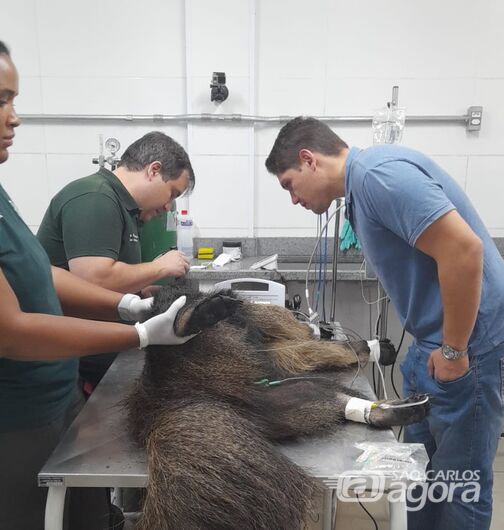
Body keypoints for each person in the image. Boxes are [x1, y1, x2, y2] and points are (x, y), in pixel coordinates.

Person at [265, 116, 504, 530]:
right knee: (420, 477)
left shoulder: (379, 176)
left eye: (289, 184)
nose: (293, 199)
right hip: (435, 343)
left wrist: (454, 350)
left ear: (309, 160)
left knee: (460, 482)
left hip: (467, 346)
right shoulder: (363, 187)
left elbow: (465, 251)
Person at [0, 41, 193, 530]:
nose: (16, 118)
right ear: (153, 171)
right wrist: (140, 333)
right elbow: (13, 329)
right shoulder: (93, 199)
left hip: (54, 393)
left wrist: (126, 305)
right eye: (2, 99)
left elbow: (45, 274)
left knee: (82, 512)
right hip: (17, 413)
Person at [38, 132, 194, 391]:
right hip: (69, 359)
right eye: (172, 192)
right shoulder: (95, 197)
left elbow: (108, 280)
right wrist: (160, 266)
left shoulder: (128, 210)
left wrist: (142, 294)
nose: (168, 206)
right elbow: (92, 279)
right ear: (154, 170)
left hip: (93, 346)